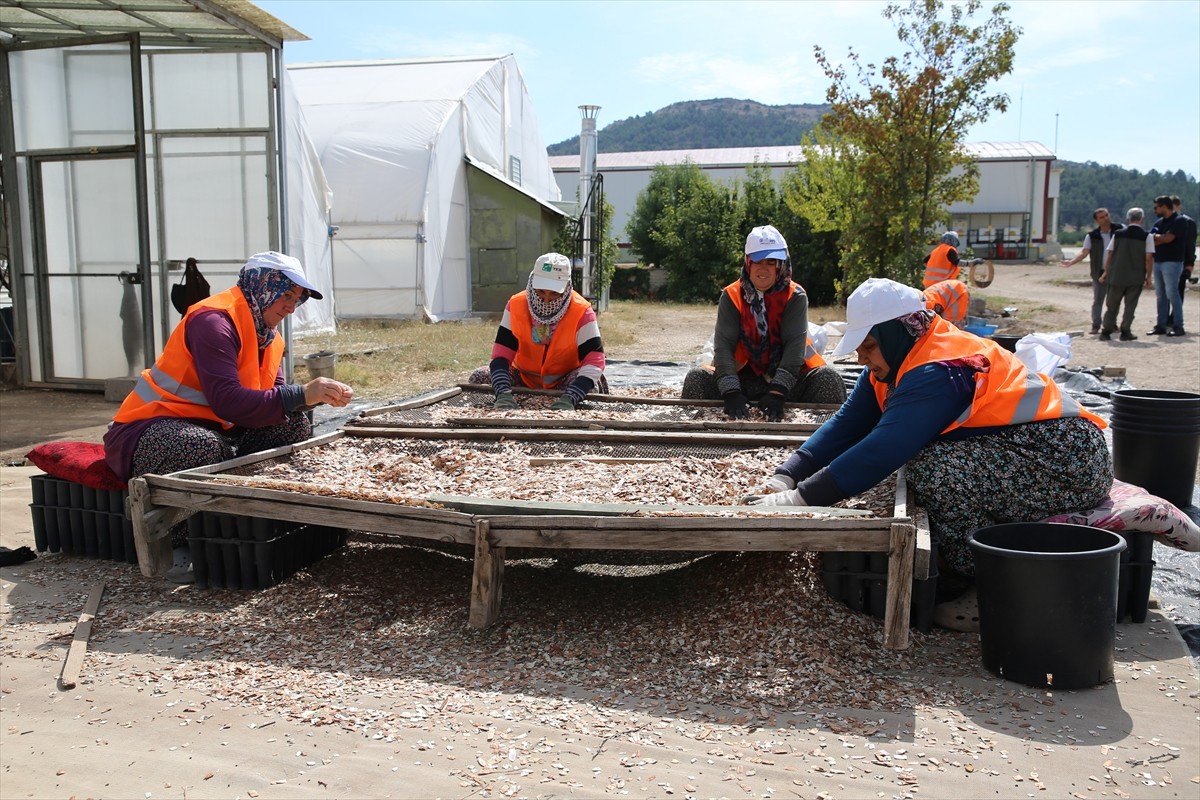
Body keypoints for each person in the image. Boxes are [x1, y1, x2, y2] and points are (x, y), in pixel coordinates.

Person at [747, 278, 1112, 631]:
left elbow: (883, 449)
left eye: (868, 346)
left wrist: (799, 499)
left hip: (1064, 461)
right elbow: (848, 423)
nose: (861, 357)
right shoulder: (899, 359)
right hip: (1019, 450)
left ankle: (986, 582)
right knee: (926, 459)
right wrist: (787, 474)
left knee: (931, 467)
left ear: (895, 333)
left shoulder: (940, 368)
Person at [104, 251, 353, 487]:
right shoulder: (213, 322)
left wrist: (313, 398)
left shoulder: (269, 338)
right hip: (147, 429)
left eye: (297, 299)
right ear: (263, 287)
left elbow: (273, 400)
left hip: (217, 429)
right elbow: (226, 401)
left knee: (292, 424)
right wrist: (302, 394)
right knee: (200, 447)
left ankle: (245, 499)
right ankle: (195, 515)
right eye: (286, 295)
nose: (291, 307)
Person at [680, 225, 846, 421]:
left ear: (780, 265)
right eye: (758, 261)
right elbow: (723, 345)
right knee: (696, 378)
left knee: (829, 379)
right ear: (748, 262)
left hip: (788, 383)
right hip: (742, 379)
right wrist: (731, 391)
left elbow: (795, 345)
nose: (763, 268)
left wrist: (778, 391)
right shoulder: (731, 295)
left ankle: (818, 435)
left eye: (771, 262)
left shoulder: (795, 296)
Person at [469, 252, 607, 410]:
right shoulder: (516, 305)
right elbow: (501, 356)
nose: (546, 300)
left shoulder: (581, 311)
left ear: (567, 288)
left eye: (555, 293)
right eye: (540, 291)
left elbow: (594, 360)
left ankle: (567, 404)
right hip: (523, 378)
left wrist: (571, 397)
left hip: (565, 381)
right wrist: (502, 392)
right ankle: (505, 402)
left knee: (592, 386)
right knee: (479, 377)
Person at [1061, 208, 1123, 334]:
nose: (1106, 218)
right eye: (1102, 217)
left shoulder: (1120, 230)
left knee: (1114, 300)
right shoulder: (1092, 236)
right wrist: (1071, 262)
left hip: (1116, 271)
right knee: (1098, 300)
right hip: (1099, 272)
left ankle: (1112, 323)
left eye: (1106, 215)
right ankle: (1096, 324)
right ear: (1096, 221)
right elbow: (1084, 252)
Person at [1098, 208, 1154, 341]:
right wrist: (1148, 277)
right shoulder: (1147, 236)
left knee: (1112, 305)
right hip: (1135, 276)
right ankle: (1125, 331)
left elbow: (1110, 254)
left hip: (1116, 275)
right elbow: (1148, 258)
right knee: (1130, 306)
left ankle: (1106, 331)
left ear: (1128, 219)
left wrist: (1106, 272)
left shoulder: (1118, 234)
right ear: (1142, 219)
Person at [1148, 195, 1187, 336]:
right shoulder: (1159, 223)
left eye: (1156, 207)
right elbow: (1151, 240)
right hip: (1158, 260)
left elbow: (1169, 238)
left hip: (1172, 261)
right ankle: (1161, 325)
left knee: (1172, 293)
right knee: (1160, 294)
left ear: (1164, 206)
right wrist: (1160, 238)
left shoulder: (1179, 221)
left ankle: (1178, 326)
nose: (1154, 210)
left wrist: (1159, 237)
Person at [1166, 195, 1196, 329]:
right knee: (1166, 291)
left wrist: (1190, 263)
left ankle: (1174, 318)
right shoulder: (1165, 221)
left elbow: (1190, 245)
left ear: (1178, 206)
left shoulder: (1188, 222)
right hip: (1166, 260)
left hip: (1182, 261)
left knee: (1178, 290)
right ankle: (1165, 317)